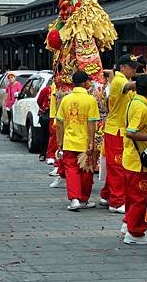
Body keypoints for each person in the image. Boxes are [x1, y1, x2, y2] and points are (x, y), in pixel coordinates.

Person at [101, 54, 147, 214]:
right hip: (116, 130)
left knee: (115, 165)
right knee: (117, 166)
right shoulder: (119, 80)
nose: (134, 70)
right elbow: (131, 87)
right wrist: (146, 80)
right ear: (122, 67)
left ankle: (107, 195)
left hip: (117, 129)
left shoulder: (123, 80)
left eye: (136, 67)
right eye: (132, 67)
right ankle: (116, 202)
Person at [55, 71, 100, 211]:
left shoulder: (66, 100)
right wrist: (92, 143)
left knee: (71, 170)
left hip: (69, 141)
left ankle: (74, 199)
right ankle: (83, 199)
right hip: (84, 142)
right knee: (87, 172)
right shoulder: (90, 100)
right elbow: (91, 124)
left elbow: (60, 123)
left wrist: (60, 142)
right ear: (85, 83)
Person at [122, 74, 147, 245]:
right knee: (139, 199)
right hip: (139, 162)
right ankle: (135, 233)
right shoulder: (141, 107)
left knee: (132, 197)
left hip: (131, 159)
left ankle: (129, 224)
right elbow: (131, 131)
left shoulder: (135, 102)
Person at [36, 82, 52, 162]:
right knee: (45, 135)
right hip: (46, 115)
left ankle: (49, 154)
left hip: (55, 115)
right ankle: (43, 153)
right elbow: (39, 100)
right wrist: (44, 108)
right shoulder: (46, 89)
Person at [4, 73, 22, 142]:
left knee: (14, 118)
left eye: (12, 77)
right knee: (10, 119)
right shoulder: (9, 85)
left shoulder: (18, 84)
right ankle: (10, 132)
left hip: (15, 104)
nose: (10, 79)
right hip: (9, 104)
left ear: (15, 78)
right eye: (9, 78)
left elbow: (20, 93)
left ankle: (15, 133)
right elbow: (7, 92)